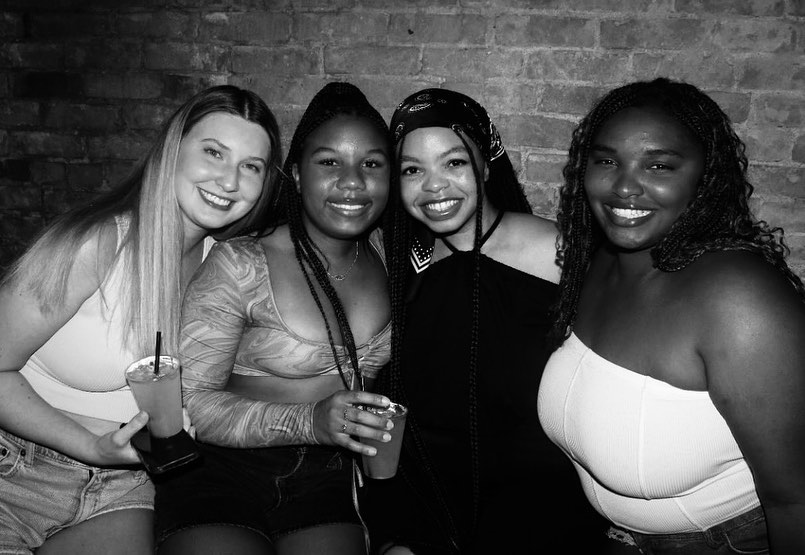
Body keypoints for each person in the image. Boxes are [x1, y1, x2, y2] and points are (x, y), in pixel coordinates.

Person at [0, 85, 281, 554]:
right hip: (15, 468)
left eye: (250, 166)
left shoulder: (223, 267)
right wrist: (91, 446)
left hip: (122, 484)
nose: (229, 181)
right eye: (214, 152)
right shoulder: (95, 244)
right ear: (173, 150)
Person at [537, 77, 805, 554]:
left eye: (658, 165)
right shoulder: (601, 262)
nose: (624, 186)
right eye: (606, 161)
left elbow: (795, 501)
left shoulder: (738, 298)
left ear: (706, 177)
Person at [154, 82, 395, 555]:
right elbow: (192, 405)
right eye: (329, 162)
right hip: (222, 470)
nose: (352, 182)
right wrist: (311, 421)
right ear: (298, 175)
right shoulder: (240, 263)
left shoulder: (394, 258)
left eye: (371, 164)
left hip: (329, 478)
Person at [366, 88, 609, 554]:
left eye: (454, 163)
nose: (434, 186)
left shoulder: (558, 253)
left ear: (485, 165)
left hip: (542, 509)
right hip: (427, 506)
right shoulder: (399, 264)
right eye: (413, 170)